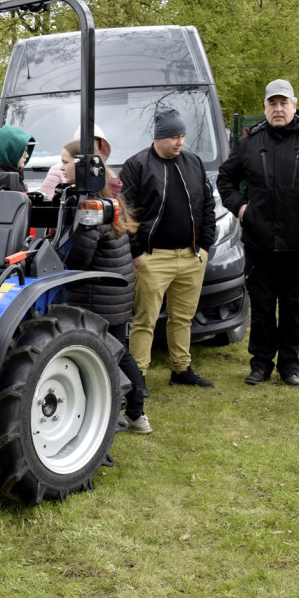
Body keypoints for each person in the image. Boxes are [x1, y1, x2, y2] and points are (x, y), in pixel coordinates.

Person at [217, 79, 299, 387]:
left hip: (298, 244)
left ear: (294, 105)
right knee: (261, 307)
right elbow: (225, 180)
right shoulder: (249, 143)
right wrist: (241, 208)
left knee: (291, 308)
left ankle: (290, 365)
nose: (278, 108)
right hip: (259, 243)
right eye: (272, 103)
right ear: (265, 107)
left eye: (283, 103)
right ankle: (260, 364)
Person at [120, 106, 217, 388]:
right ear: (159, 137)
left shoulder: (194, 163)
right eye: (174, 136)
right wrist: (137, 252)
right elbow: (127, 213)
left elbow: (207, 207)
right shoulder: (137, 165)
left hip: (191, 256)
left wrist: (205, 245)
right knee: (145, 320)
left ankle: (181, 368)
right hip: (153, 258)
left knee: (183, 318)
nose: (180, 142)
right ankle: (138, 376)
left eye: (183, 136)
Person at [59, 139, 149, 432]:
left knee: (114, 355)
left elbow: (77, 261)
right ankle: (135, 411)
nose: (61, 169)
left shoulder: (92, 217)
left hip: (99, 298)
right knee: (120, 351)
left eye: (65, 163)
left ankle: (135, 412)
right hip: (115, 295)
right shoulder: (109, 206)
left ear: (82, 167)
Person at [40, 123, 121, 199]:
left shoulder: (107, 174)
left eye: (95, 142)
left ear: (100, 145)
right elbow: (46, 205)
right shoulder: (56, 171)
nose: (90, 146)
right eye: (86, 141)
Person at [0, 125, 33, 191]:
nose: (27, 155)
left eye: (27, 150)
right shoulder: (1, 182)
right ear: (10, 151)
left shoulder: (13, 175)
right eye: (23, 151)